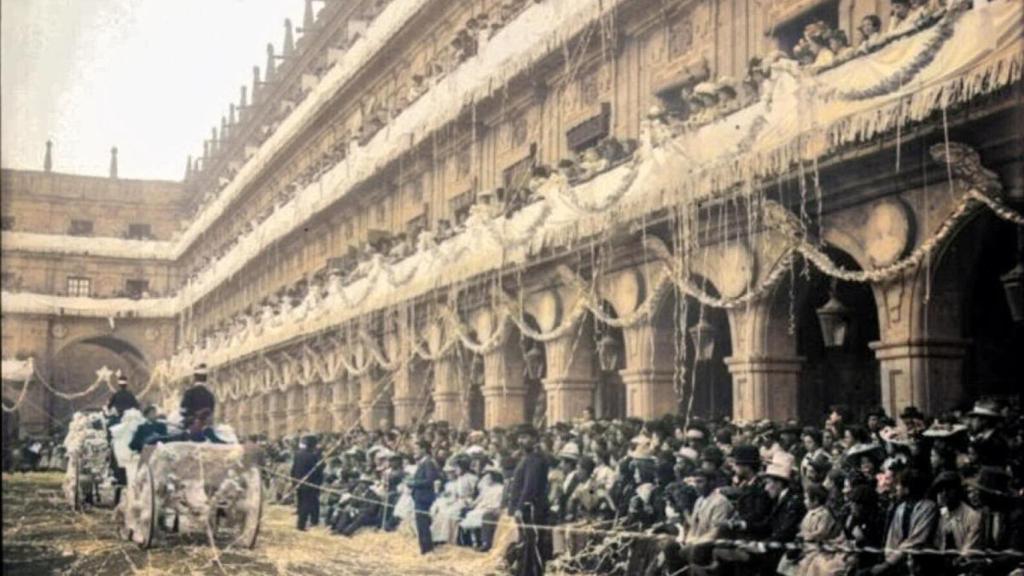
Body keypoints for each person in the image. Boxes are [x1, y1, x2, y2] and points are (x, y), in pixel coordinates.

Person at [508, 424, 550, 576]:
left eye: (524, 437)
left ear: (534, 439)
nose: (520, 441)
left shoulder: (535, 459)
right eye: (520, 437)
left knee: (532, 545)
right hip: (526, 508)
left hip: (531, 508)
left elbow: (530, 487)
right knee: (525, 543)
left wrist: (520, 507)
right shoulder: (527, 458)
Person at [407, 439, 443, 554]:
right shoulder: (424, 462)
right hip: (420, 497)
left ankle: (427, 550)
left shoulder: (428, 463)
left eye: (417, 449)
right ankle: (424, 549)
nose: (414, 451)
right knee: (420, 524)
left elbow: (429, 480)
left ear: (423, 449)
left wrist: (413, 483)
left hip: (424, 498)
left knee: (423, 525)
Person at [291, 434, 325, 531]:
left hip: (299, 482)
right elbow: (318, 470)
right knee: (307, 504)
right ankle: (301, 525)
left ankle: (313, 520)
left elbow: (293, 469)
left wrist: (293, 482)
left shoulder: (297, 454)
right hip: (310, 484)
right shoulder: (312, 457)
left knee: (302, 503)